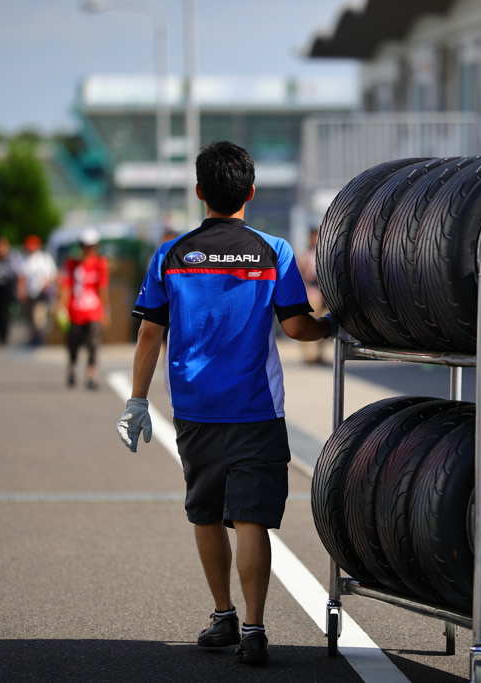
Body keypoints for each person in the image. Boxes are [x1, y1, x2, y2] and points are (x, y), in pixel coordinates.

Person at [115, 141, 349, 667]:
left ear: (199, 192)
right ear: (251, 191)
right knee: (250, 520)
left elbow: (150, 335)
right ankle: (254, 628)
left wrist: (135, 401)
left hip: (195, 411)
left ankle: (221, 615)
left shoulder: (171, 256)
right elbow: (296, 327)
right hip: (256, 412)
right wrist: (336, 322)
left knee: (205, 513)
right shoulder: (273, 252)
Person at [58, 228, 110, 389]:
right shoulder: (71, 264)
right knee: (73, 343)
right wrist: (62, 307)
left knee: (93, 344)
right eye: (86, 246)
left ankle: (91, 375)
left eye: (92, 246)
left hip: (93, 310)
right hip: (75, 311)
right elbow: (66, 287)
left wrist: (106, 310)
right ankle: (72, 368)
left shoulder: (100, 264)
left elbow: (102, 288)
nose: (89, 249)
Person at [297, 227, 330, 364]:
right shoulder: (305, 256)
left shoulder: (326, 255)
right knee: (308, 324)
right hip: (312, 295)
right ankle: (309, 355)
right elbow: (301, 275)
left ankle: (320, 354)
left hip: (325, 296)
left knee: (325, 324)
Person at [19, 235, 58, 347]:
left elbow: (54, 275)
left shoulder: (45, 258)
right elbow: (21, 277)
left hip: (42, 294)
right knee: (29, 318)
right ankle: (34, 337)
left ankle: (40, 338)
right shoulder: (25, 260)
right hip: (29, 294)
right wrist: (21, 290)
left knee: (38, 317)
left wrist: (47, 283)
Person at [0, 236, 23, 347]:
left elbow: (18, 274)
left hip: (7, 288)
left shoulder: (11, 258)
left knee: (5, 314)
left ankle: (4, 335)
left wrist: (20, 288)